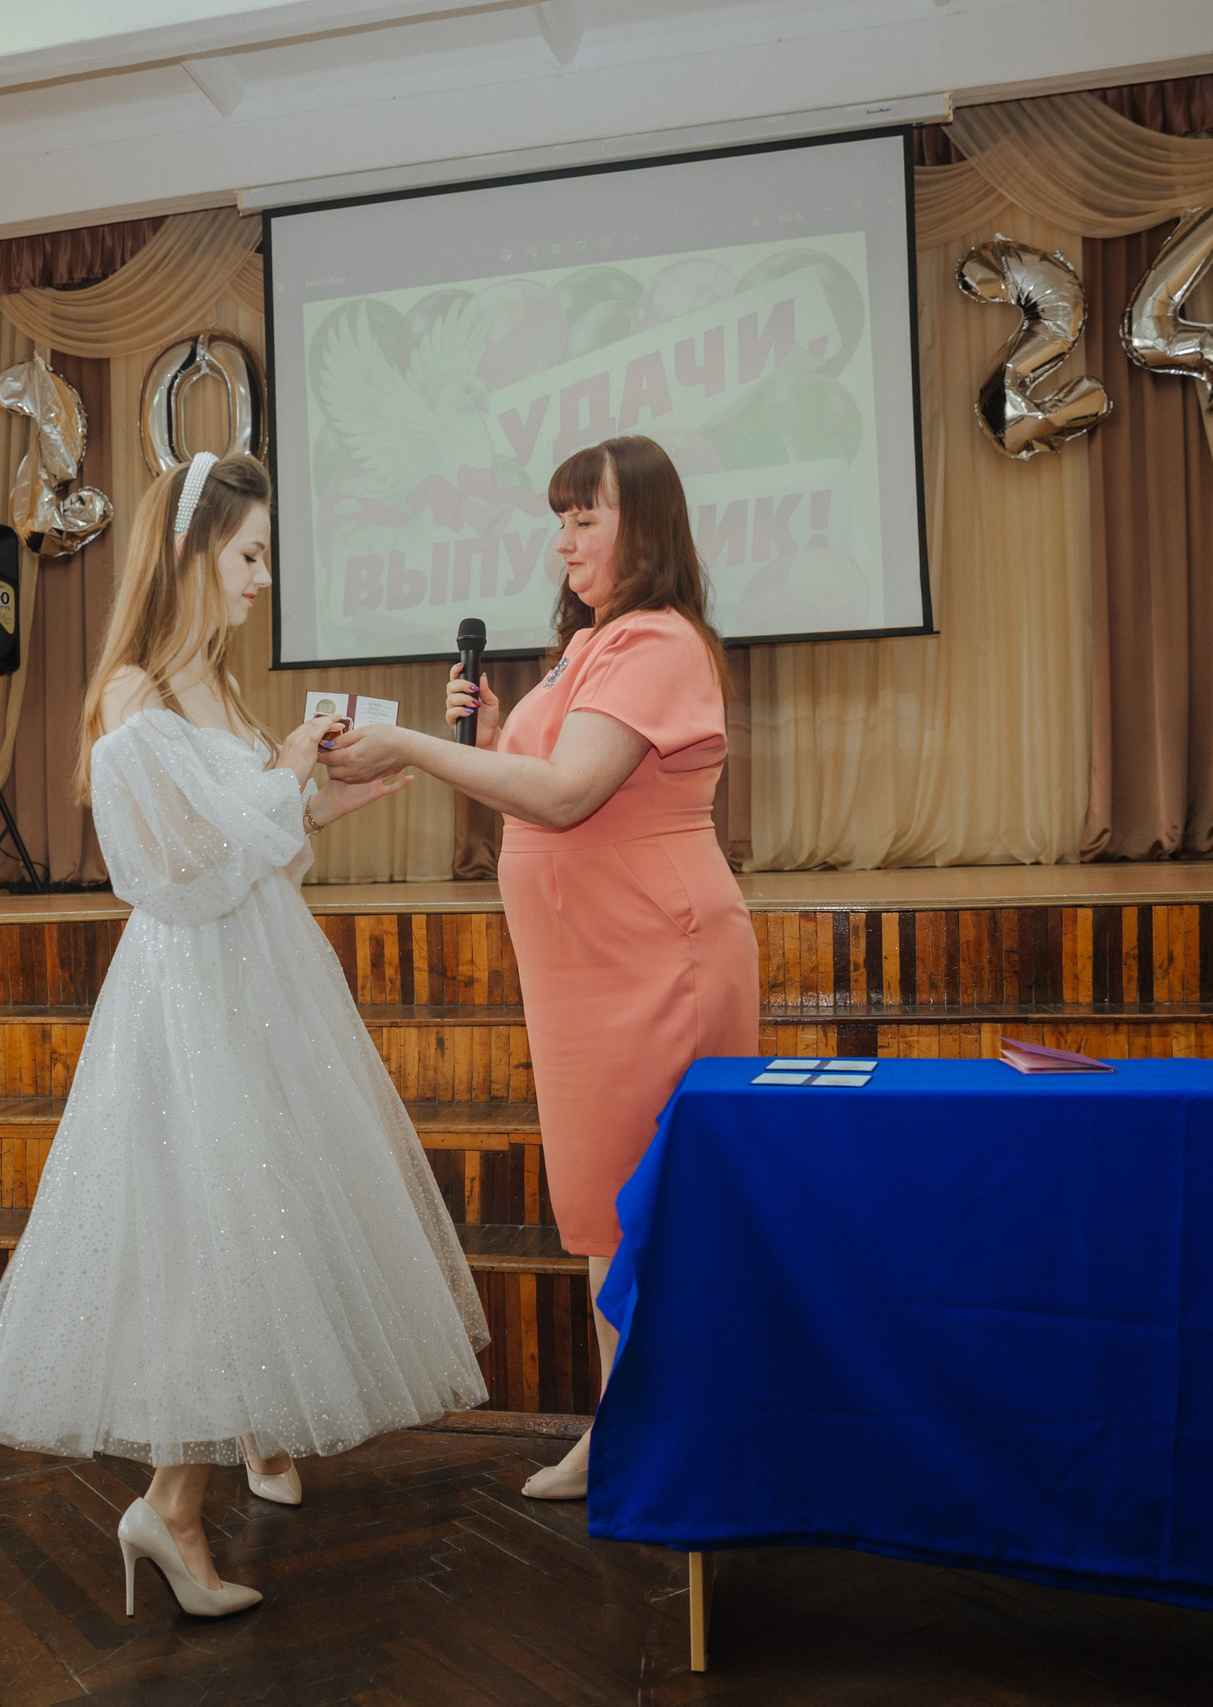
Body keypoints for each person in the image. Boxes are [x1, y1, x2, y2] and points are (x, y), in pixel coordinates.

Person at [0, 450, 490, 1618]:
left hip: (259, 974)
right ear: (195, 551)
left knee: (271, 1202)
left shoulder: (222, 691)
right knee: (213, 1222)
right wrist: (283, 782)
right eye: (250, 556)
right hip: (193, 991)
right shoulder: (136, 699)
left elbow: (263, 849)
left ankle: (244, 1439)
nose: (261, 581)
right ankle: (172, 1508)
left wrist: (320, 797)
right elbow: (170, 876)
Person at [323, 434, 757, 1502]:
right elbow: (539, 780)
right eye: (558, 517)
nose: (561, 539)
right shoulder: (592, 642)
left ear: (642, 527)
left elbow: (568, 796)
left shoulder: (656, 641)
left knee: (651, 1206)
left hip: (652, 956)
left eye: (584, 516)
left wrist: (421, 754)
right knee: (606, 1204)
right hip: (582, 966)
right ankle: (624, 1430)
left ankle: (665, 1439)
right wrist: (477, 738)